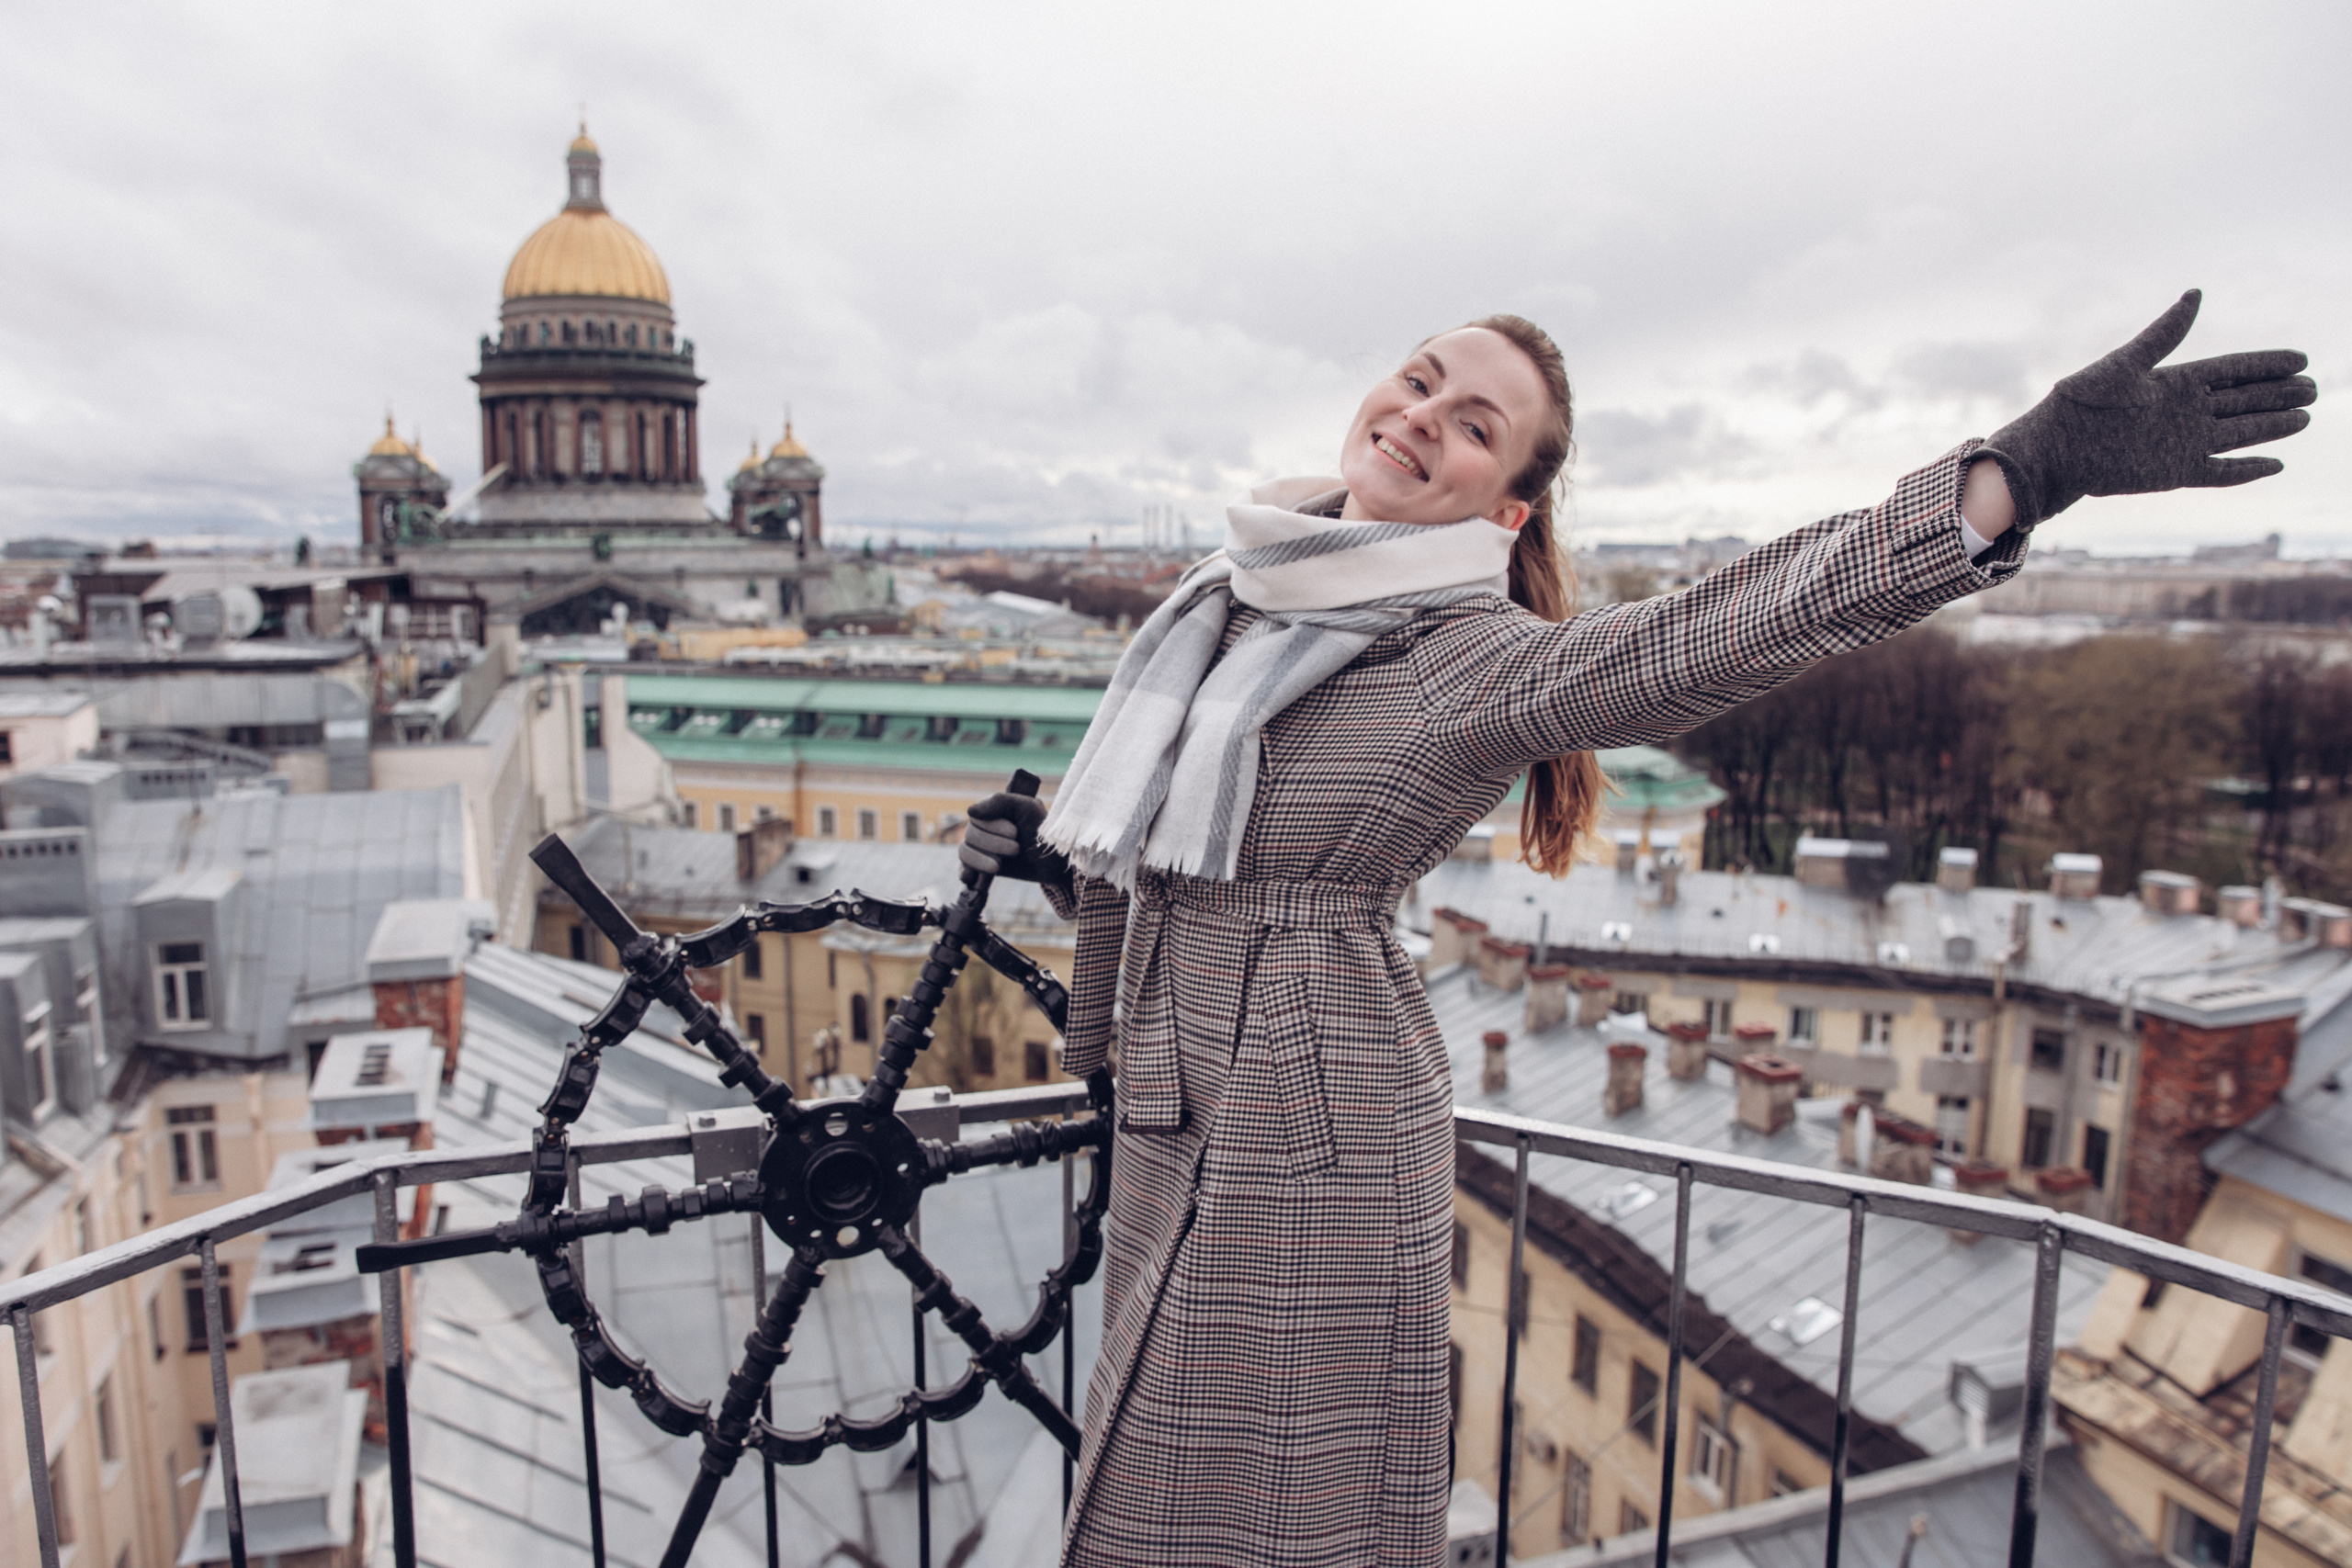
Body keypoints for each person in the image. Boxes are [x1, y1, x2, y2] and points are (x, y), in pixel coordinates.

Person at [958, 293, 2313, 1567]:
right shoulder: (1233, 599)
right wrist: (1067, 877)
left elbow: (1705, 637)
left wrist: (2015, 477)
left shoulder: (1463, 660)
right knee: (1157, 1479)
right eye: (1424, 378)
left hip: (1311, 1139)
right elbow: (1215, 878)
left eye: (1474, 423)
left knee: (1251, 1514)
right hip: (1182, 1112)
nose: (1426, 414)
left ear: (1509, 502)